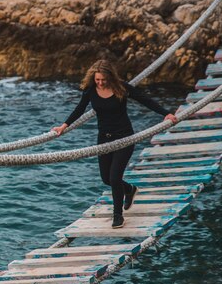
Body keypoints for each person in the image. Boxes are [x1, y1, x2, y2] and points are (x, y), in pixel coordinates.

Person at [52, 59, 177, 229]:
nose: (101, 83)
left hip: (124, 137)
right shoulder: (90, 90)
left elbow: (145, 100)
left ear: (110, 77)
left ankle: (117, 215)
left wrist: (166, 113)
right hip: (104, 139)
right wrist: (64, 126)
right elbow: (80, 109)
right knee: (106, 179)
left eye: (103, 79)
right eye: (97, 80)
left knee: (114, 177)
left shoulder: (121, 87)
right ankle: (129, 190)